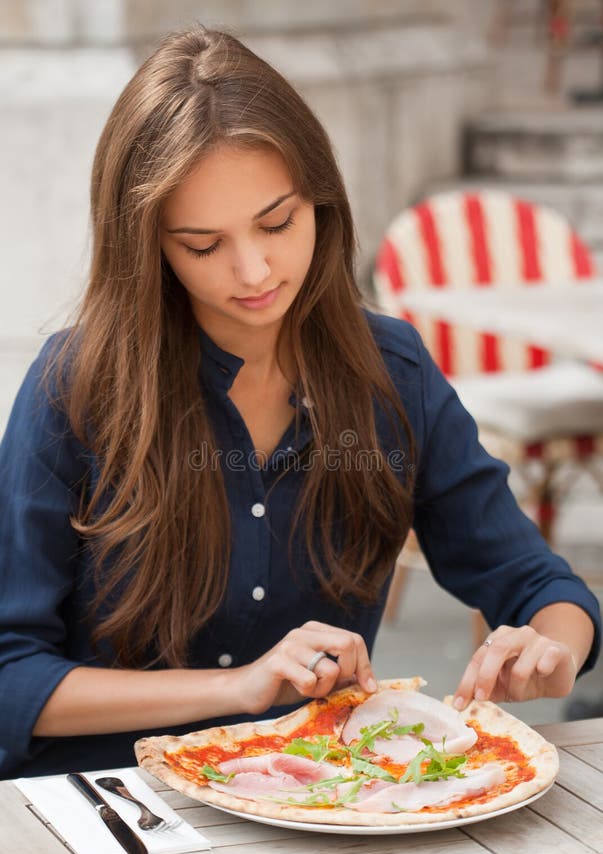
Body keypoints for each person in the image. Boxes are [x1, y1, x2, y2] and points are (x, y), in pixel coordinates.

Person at [0, 26, 600, 779]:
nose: (253, 270)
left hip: (318, 804)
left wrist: (551, 648)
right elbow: (10, 675)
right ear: (147, 245)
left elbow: (539, 585)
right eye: (202, 244)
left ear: (321, 199)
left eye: (277, 222)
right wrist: (238, 688)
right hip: (105, 803)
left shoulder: (393, 374)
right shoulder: (74, 387)